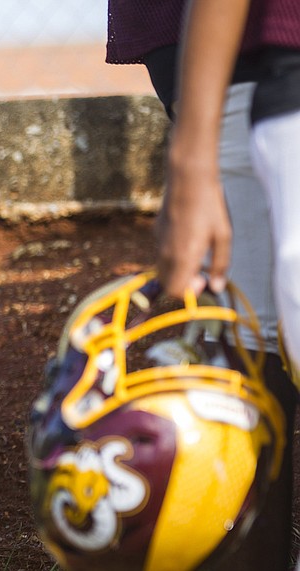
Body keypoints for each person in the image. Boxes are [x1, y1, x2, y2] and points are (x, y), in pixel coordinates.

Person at [107, 1, 297, 568]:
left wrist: (193, 154)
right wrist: (194, 151)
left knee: (253, 331)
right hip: (244, 55)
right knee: (251, 333)